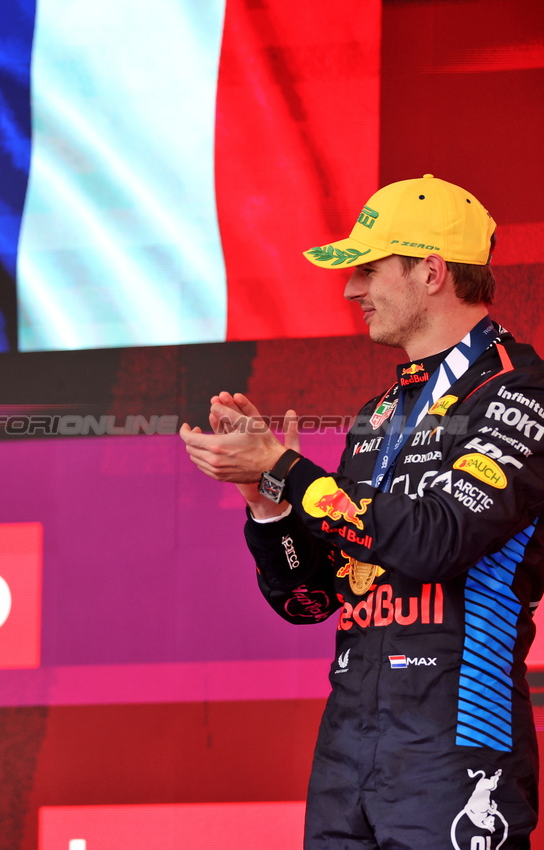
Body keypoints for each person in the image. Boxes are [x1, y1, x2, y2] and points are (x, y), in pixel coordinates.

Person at [180, 174, 544, 848]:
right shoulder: (378, 415)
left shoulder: (519, 395)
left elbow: (436, 542)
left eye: (367, 270)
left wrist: (286, 468)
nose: (350, 291)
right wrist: (267, 503)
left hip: (457, 744)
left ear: (430, 271)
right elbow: (311, 601)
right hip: (347, 752)